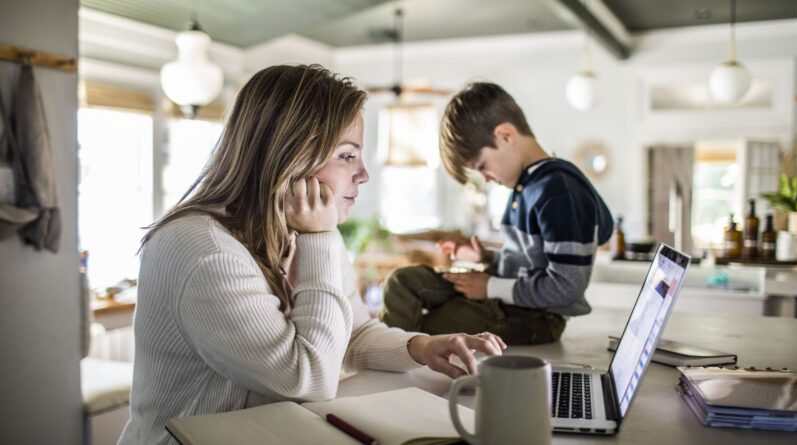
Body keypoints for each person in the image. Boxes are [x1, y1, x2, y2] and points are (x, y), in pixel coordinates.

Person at [118, 65, 505, 445]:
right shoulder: (205, 249)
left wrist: (421, 347)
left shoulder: (307, 232)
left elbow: (352, 333)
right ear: (292, 156)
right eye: (347, 155)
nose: (364, 174)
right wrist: (320, 239)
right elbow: (307, 378)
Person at [379, 82, 613, 345]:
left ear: (505, 136)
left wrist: (489, 286)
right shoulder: (526, 186)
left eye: (483, 166)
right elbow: (529, 261)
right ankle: (394, 352)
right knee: (402, 282)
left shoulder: (560, 191)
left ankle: (400, 365)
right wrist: (485, 257)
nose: (486, 179)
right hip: (506, 294)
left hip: (536, 316)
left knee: (431, 326)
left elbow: (567, 288)